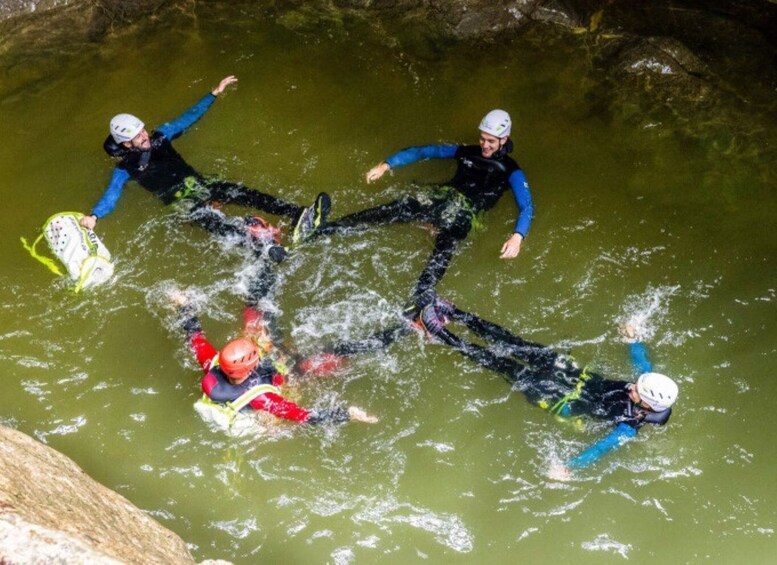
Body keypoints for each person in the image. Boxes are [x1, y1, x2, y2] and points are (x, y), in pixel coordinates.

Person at [415, 295, 679, 475]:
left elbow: (600, 449)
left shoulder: (628, 428)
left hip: (561, 400)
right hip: (576, 375)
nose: (632, 385)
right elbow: (642, 362)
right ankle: (453, 312)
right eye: (637, 384)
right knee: (514, 343)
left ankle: (441, 334)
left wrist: (568, 468)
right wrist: (633, 338)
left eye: (637, 390)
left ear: (647, 404)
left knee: (500, 364)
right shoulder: (647, 383)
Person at [172, 217, 377, 427]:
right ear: (252, 365)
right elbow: (304, 416)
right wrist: (348, 413)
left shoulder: (212, 363)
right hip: (277, 387)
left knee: (255, 308)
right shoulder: (263, 398)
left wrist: (183, 306)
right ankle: (403, 329)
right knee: (334, 356)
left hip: (251, 384)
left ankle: (266, 251)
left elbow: (195, 336)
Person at [80, 75, 329, 246]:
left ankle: (299, 214)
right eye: (137, 136)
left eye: (143, 130)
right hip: (182, 204)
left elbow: (187, 118)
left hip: (198, 184)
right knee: (216, 225)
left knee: (243, 193)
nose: (144, 136)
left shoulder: (160, 137)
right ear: (125, 144)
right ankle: (261, 247)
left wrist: (213, 94)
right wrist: (94, 216)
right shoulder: (125, 169)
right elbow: (111, 196)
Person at [315, 109, 533, 299]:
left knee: (446, 245)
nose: (484, 145)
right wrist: (386, 165)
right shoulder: (466, 151)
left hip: (467, 213)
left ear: (504, 139)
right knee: (395, 209)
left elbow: (526, 207)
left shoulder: (512, 170)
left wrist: (517, 236)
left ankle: (419, 298)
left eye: (491, 141)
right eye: (483, 139)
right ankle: (327, 228)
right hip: (443, 197)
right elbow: (424, 151)